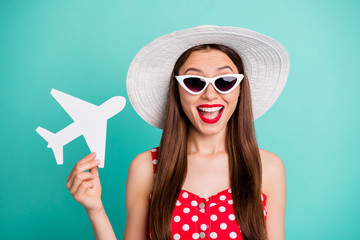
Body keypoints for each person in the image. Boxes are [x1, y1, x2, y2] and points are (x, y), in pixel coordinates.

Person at [66, 25, 289, 240]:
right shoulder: (146, 167)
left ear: (240, 89)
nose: (210, 95)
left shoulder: (268, 168)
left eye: (224, 81)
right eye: (194, 82)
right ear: (177, 90)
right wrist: (95, 209)